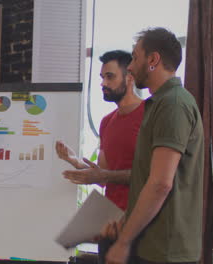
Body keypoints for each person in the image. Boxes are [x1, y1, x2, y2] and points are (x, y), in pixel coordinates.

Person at [104, 28, 204, 264]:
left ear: (153, 60)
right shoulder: (159, 104)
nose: (130, 66)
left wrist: (124, 241)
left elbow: (160, 183)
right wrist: (126, 223)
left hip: (165, 251)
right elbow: (148, 178)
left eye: (135, 57)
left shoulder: (173, 104)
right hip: (153, 246)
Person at [55, 50, 144, 264]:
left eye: (110, 76)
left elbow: (152, 175)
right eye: (102, 77)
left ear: (129, 78)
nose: (103, 82)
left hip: (138, 226)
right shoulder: (106, 122)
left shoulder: (149, 114)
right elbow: (104, 174)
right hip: (108, 226)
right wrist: (75, 161)